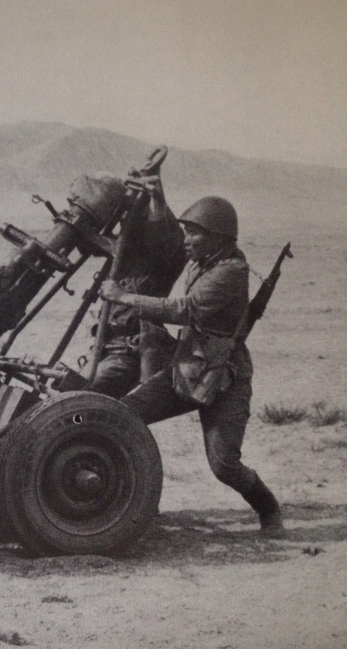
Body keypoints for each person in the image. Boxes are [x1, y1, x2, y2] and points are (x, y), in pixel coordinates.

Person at [101, 196, 284, 537]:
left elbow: (186, 309)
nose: (186, 240)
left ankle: (269, 508)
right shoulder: (201, 262)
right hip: (188, 370)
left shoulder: (231, 272)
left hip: (224, 379)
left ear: (219, 237)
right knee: (124, 415)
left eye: (194, 233)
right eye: (185, 232)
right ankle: (138, 501)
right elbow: (164, 246)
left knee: (224, 466)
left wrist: (125, 298)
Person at [82, 172, 187, 398]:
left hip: (129, 355)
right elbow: (91, 240)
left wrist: (157, 199)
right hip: (104, 349)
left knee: (82, 395)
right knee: (70, 391)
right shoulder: (124, 258)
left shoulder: (163, 262)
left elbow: (164, 234)